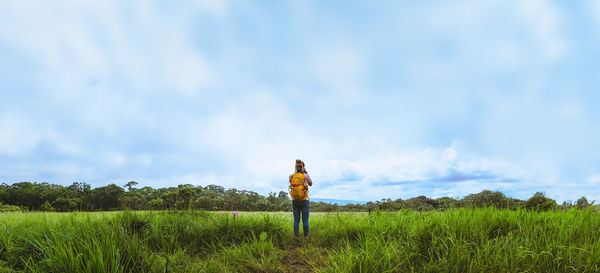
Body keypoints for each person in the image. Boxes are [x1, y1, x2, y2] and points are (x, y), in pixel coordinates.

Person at [289, 159, 312, 239]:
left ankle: (296, 237)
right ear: (303, 167)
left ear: (295, 167)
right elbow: (311, 184)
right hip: (304, 200)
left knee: (296, 221)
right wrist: (306, 172)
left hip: (295, 200)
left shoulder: (291, 176)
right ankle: (306, 237)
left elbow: (291, 184)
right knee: (305, 220)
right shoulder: (305, 175)